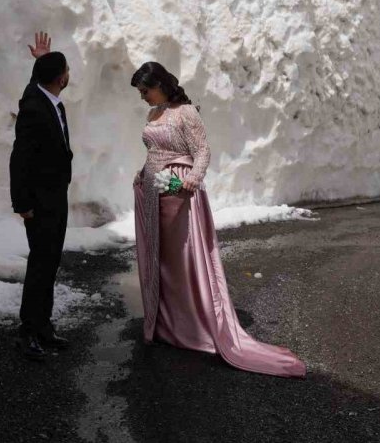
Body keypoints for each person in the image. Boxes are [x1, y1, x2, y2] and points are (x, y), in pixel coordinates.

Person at [131, 62, 306, 378]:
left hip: (179, 196)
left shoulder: (185, 112)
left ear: (160, 83)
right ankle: (168, 325)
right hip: (153, 196)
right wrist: (142, 174)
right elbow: (154, 151)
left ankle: (194, 327)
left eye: (146, 90)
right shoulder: (153, 114)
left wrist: (190, 181)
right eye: (141, 92)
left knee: (185, 262)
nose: (143, 96)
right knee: (164, 262)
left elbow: (202, 152)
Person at [9, 32, 72, 360]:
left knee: (49, 264)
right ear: (61, 77)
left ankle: (43, 326)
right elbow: (20, 157)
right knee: (40, 266)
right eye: (66, 69)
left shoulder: (43, 97)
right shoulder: (35, 107)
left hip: (55, 199)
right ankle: (28, 333)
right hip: (40, 203)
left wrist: (40, 62)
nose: (69, 73)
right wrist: (22, 204)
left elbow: (34, 84)